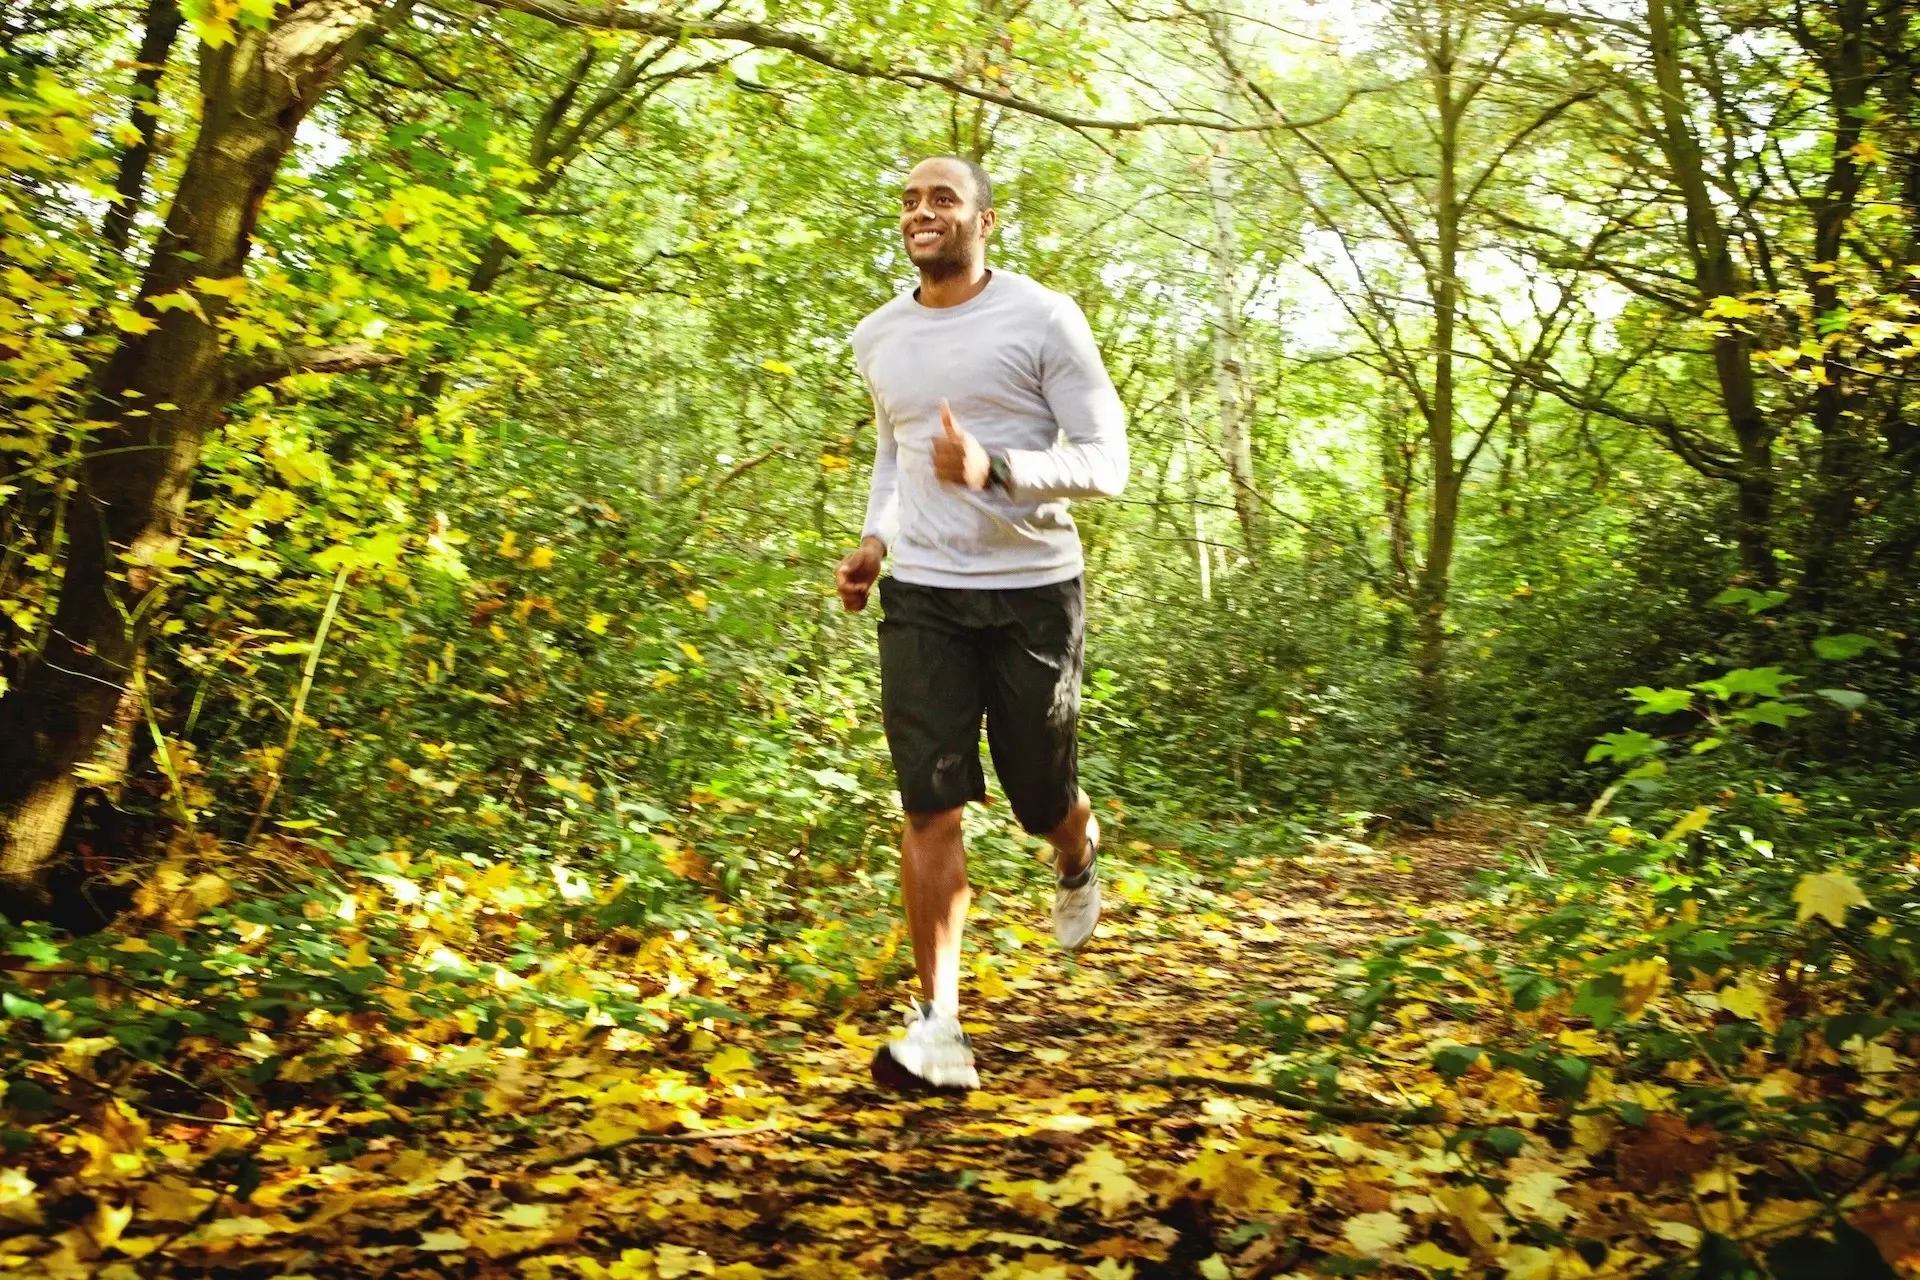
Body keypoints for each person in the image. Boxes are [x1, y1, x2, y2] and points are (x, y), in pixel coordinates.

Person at [834, 155, 1130, 1091]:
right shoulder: (877, 335)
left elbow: (1107, 462)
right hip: (922, 592)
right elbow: (895, 454)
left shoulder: (1044, 318)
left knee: (1040, 792)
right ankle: (940, 1028)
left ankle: (1075, 848)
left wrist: (996, 470)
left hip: (1034, 588)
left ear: (985, 221)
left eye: (944, 199)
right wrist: (877, 541)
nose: (924, 212)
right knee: (930, 801)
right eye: (912, 200)